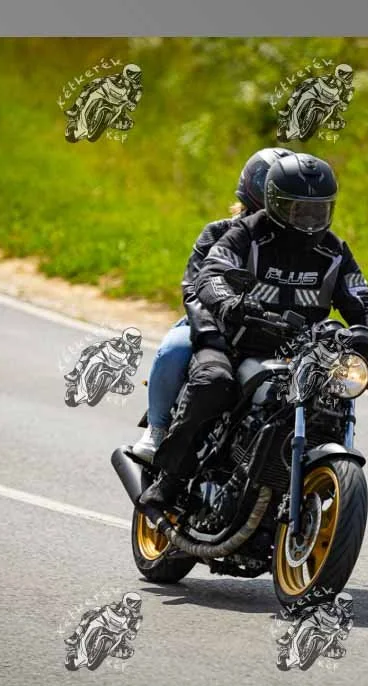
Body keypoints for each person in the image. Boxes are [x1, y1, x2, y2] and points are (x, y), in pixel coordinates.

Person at [138, 152, 368, 512]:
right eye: (297, 210)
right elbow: (210, 275)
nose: (308, 220)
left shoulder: (334, 251)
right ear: (274, 203)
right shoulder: (245, 234)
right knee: (212, 382)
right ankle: (170, 479)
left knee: (332, 400)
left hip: (303, 352)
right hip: (236, 341)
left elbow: (362, 304)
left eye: (317, 211)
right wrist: (230, 303)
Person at [131, 147, 295, 461]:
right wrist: (210, 333)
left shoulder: (298, 246)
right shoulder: (219, 231)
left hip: (271, 335)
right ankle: (157, 428)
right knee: (174, 349)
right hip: (210, 324)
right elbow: (193, 288)